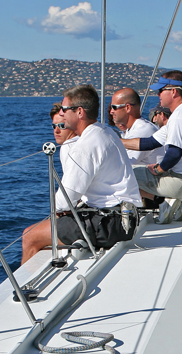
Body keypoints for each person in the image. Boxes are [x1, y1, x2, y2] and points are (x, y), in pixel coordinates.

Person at [22, 85, 142, 264]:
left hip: (110, 224)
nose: (61, 114)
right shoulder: (106, 132)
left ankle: (23, 291)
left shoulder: (86, 145)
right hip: (126, 219)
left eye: (64, 109)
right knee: (50, 227)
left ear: (79, 112)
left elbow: (65, 200)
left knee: (30, 236)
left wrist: (59, 211)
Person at [121, 71, 182, 224]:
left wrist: (158, 169)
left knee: (123, 173)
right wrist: (118, 141)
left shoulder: (180, 117)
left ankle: (128, 222)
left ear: (173, 91)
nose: (158, 95)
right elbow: (149, 143)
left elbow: (174, 153)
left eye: (161, 91)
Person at [110, 87, 163, 166]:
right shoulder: (132, 129)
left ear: (128, 108)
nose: (111, 111)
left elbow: (123, 165)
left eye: (114, 107)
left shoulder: (143, 130)